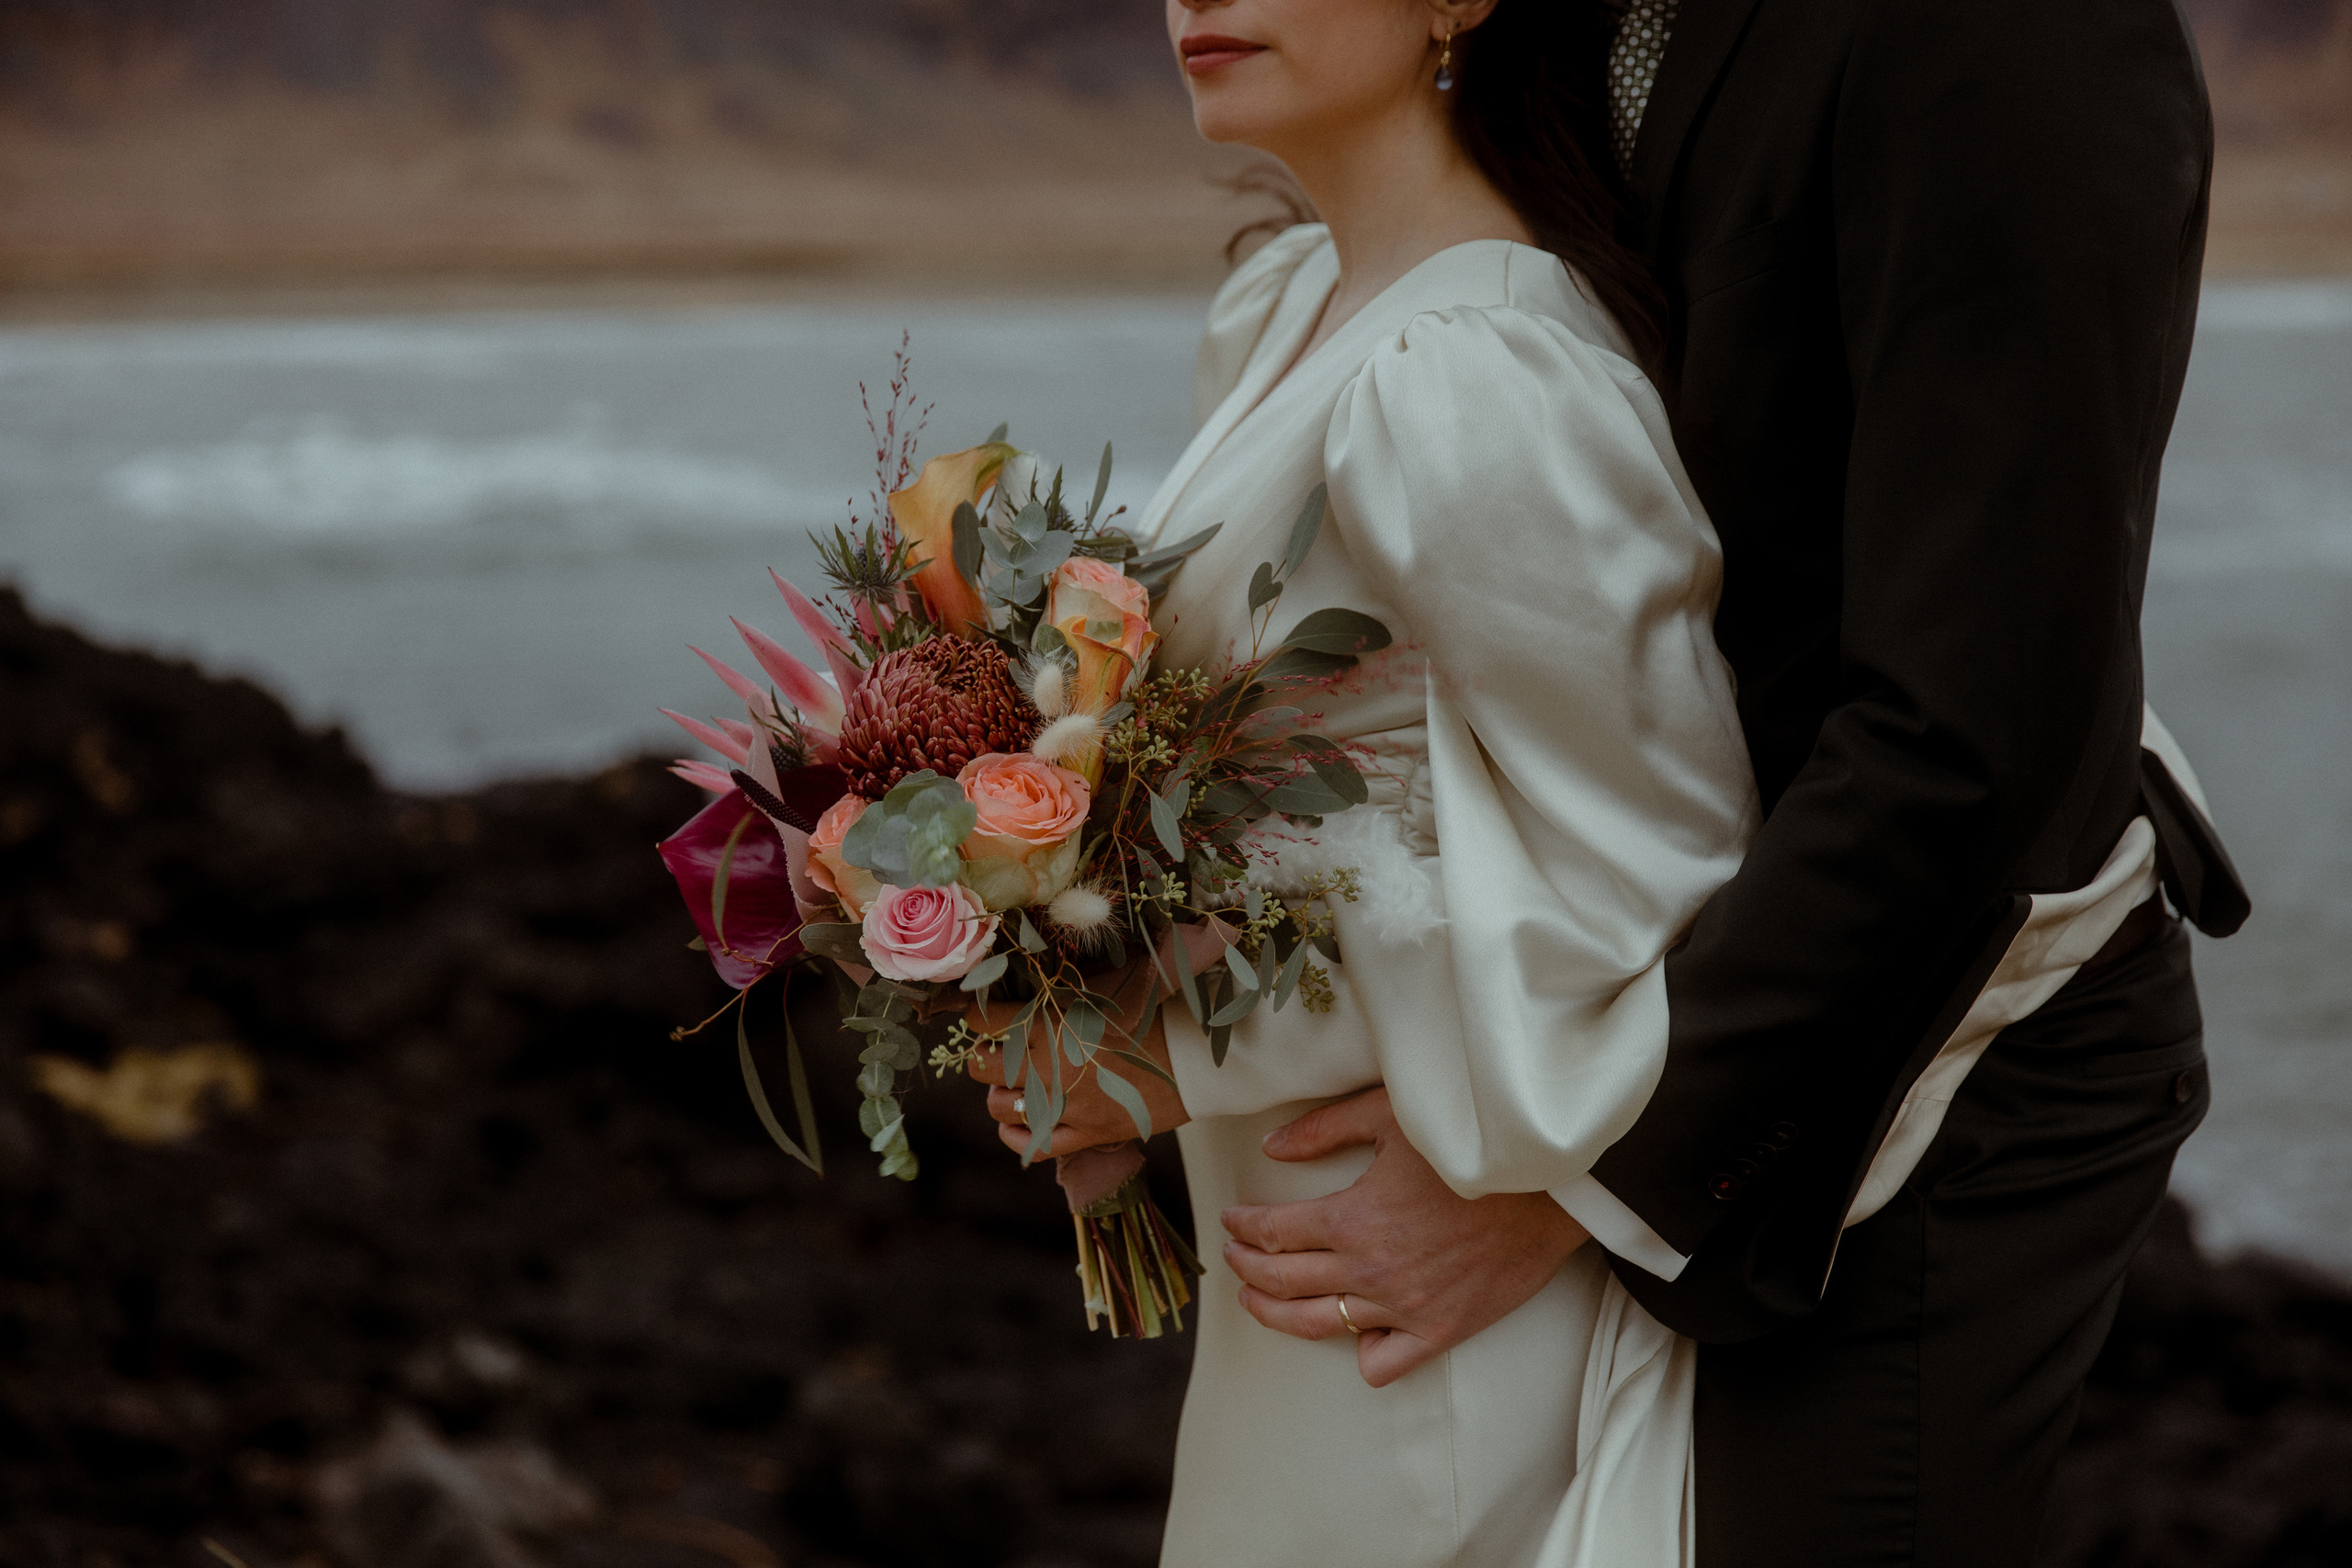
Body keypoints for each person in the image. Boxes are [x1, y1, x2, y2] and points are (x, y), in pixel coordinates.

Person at [1122, 1, 2253, 1565]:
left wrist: (1577, 1186)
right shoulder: (1538, 46)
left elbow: (1981, 729)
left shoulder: (2012, 36)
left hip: (1932, 1050)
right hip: (1629, 1024)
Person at [974, 0, 1757, 1562]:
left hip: (1428, 1304)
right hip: (1295, 1266)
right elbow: (1288, 792)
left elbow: (1662, 883)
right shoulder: (1289, 308)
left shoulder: (1478, 381)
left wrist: (1172, 1042)